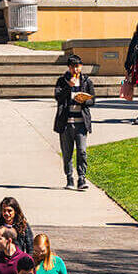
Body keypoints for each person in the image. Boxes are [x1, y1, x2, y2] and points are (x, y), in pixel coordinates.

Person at [54, 53, 94, 189]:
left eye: (78, 67)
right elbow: (58, 97)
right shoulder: (61, 81)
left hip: (81, 123)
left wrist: (84, 100)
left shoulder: (86, 81)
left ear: (81, 67)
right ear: (69, 68)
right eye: (73, 67)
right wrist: (68, 87)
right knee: (67, 153)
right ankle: (69, 178)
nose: (75, 70)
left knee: (82, 151)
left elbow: (92, 100)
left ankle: (81, 178)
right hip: (65, 123)